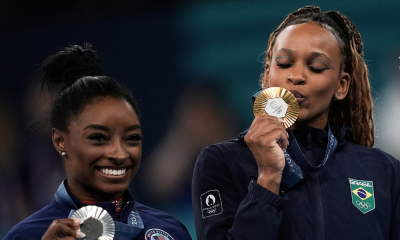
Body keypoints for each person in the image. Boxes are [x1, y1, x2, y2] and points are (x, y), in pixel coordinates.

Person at [192, 5, 400, 240]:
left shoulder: (384, 171)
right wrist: (268, 177)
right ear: (267, 74)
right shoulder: (222, 161)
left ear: (341, 86)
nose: (297, 76)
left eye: (317, 66)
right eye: (284, 63)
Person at [4, 44, 192, 240]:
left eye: (131, 138)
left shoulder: (169, 232)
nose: (119, 153)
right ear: (61, 141)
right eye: (98, 138)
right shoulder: (26, 236)